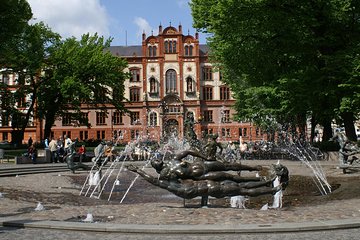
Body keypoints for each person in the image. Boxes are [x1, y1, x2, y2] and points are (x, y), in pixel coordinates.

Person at [127, 164, 282, 200]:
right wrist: (137, 170)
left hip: (210, 190)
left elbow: (152, 179)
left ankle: (271, 187)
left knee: (242, 189)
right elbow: (152, 179)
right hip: (210, 186)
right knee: (241, 188)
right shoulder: (178, 182)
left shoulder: (173, 185)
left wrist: (137, 170)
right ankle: (268, 184)